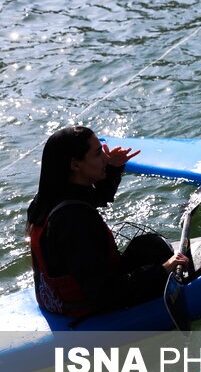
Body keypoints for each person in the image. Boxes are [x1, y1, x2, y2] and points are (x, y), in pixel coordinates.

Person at [26, 126, 189, 318]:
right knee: (158, 252)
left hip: (52, 301)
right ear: (75, 165)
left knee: (148, 246)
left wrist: (112, 168)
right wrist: (163, 270)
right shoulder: (74, 222)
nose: (105, 157)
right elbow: (106, 295)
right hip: (85, 306)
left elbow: (94, 199)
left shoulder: (47, 198)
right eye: (97, 154)